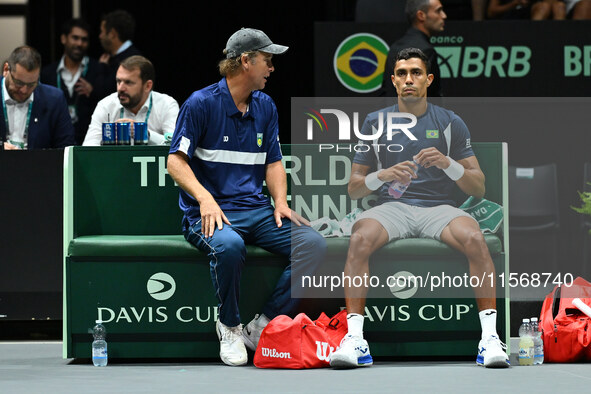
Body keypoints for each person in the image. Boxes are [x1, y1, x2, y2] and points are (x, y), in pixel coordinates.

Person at [329, 48, 510, 369]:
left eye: (415, 72)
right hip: (391, 209)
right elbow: (354, 189)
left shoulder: (450, 122)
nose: (408, 79)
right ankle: (355, 339)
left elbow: (478, 186)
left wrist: (447, 163)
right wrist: (382, 174)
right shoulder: (374, 122)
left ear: (428, 79)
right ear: (393, 81)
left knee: (476, 239)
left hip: (439, 208)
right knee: (358, 240)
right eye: (401, 73)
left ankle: (489, 339)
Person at [167, 27, 326, 367]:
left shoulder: (265, 106)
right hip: (209, 213)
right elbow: (175, 161)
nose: (272, 68)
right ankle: (229, 325)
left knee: (314, 244)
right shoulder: (200, 104)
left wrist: (280, 201)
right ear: (245, 61)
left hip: (257, 210)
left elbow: (274, 161)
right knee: (231, 246)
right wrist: (205, 199)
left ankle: (263, 323)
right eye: (267, 60)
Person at [41, 18, 109, 145]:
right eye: (75, 38)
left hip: (90, 142)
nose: (79, 43)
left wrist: (93, 92)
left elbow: (110, 105)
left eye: (84, 40)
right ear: (63, 39)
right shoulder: (47, 73)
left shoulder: (98, 69)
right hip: (56, 143)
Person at [83, 55, 178, 146]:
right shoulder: (106, 105)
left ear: (147, 86)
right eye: (118, 81)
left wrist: (145, 133)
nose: (120, 88)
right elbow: (88, 147)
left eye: (128, 82)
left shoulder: (167, 105)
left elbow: (176, 145)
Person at [1, 46, 75, 150]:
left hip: (38, 165)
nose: (24, 90)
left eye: (31, 84)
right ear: (6, 70)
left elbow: (67, 149)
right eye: (19, 83)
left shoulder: (54, 99)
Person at [380, 0, 446, 98]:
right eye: (438, 11)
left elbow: (386, 93)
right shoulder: (426, 51)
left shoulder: (394, 47)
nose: (444, 16)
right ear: (421, 15)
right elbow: (431, 97)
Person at [97, 9, 142, 97]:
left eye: (102, 32)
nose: (100, 36)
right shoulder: (114, 58)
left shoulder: (132, 60)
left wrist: (102, 68)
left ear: (112, 34)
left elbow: (108, 93)